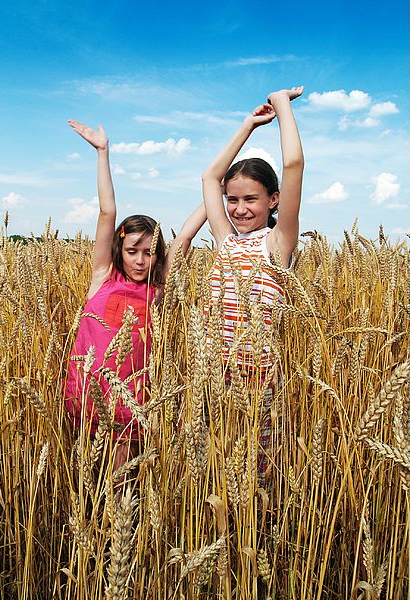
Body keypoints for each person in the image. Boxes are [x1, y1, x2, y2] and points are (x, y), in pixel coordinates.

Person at [64, 119, 206, 470]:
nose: (141, 260)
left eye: (149, 252)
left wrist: (213, 189)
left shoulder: (157, 291)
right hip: (86, 390)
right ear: (119, 249)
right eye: (132, 251)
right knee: (85, 476)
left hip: (131, 397)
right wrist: (103, 152)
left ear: (158, 253)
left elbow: (185, 236)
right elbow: (107, 211)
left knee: (120, 478)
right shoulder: (103, 276)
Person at [202, 87, 305, 476]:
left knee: (255, 477)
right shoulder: (225, 241)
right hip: (212, 375)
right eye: (233, 199)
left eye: (251, 199)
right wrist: (248, 125)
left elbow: (294, 164)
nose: (239, 209)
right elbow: (210, 176)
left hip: (258, 382)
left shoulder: (277, 245)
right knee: (211, 472)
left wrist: (281, 108)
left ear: (274, 200)